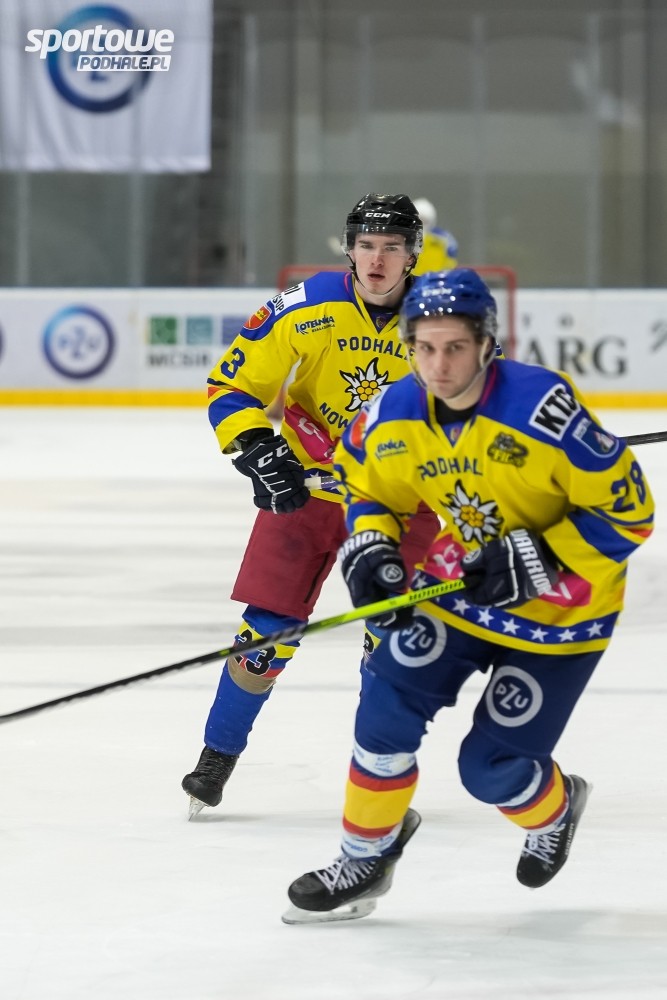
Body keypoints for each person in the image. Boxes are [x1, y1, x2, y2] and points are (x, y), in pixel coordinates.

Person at [283, 268, 655, 924]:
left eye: (454, 347)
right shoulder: (394, 413)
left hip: (563, 611)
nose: (439, 365)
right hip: (461, 588)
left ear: (486, 343)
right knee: (385, 706)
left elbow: (631, 512)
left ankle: (556, 809)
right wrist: (371, 546)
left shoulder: (543, 409)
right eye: (424, 348)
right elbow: (367, 488)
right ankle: (365, 856)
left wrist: (538, 556)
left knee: (490, 768)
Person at [181, 194, 441, 818]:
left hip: (399, 502)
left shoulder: (444, 319)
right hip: (307, 492)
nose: (377, 259)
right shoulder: (306, 305)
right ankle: (216, 758)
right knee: (264, 635)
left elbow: (484, 408)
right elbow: (232, 384)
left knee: (393, 640)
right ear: (349, 248)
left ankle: (380, 777)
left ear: (413, 255)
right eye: (367, 245)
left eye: (392, 247)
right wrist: (258, 448)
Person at [412, 197, 459, 275]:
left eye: (425, 221)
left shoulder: (443, 239)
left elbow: (451, 262)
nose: (422, 225)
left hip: (436, 280)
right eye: (419, 220)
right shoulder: (403, 238)